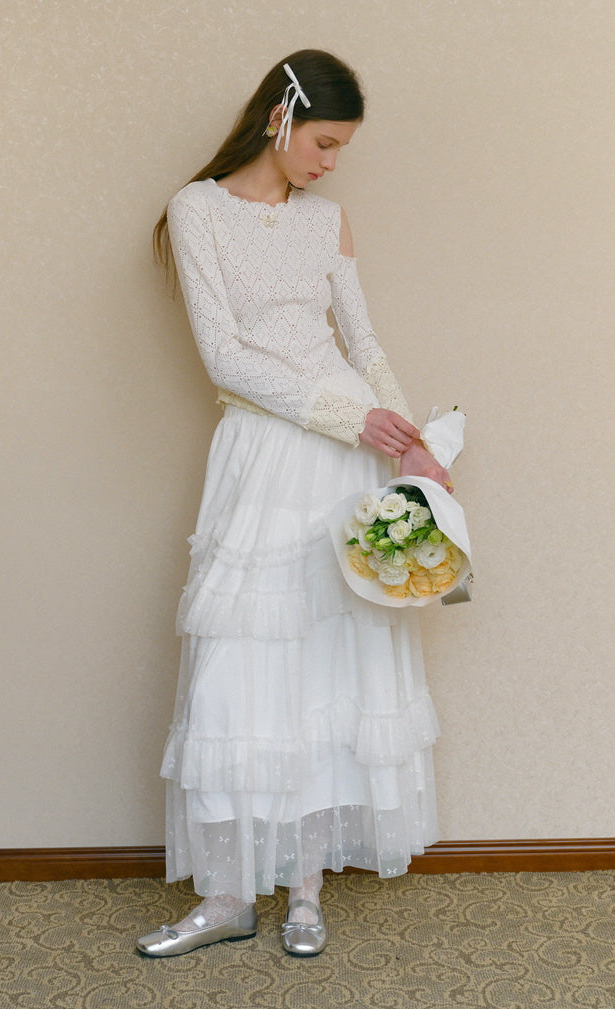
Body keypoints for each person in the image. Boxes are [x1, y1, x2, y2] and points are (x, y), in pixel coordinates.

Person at [137, 50, 451, 959]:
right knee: (241, 669)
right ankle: (230, 893)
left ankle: (305, 890)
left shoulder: (326, 220)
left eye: (342, 148)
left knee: (327, 666)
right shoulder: (196, 211)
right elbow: (224, 357)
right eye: (323, 141)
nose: (329, 162)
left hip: (348, 453)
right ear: (280, 115)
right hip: (271, 449)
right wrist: (354, 421)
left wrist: (413, 441)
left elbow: (361, 338)